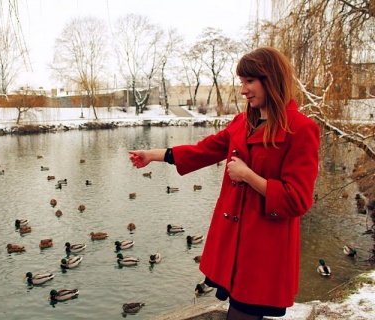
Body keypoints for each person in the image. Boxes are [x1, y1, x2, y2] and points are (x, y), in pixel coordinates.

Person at [128, 47, 320, 320]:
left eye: (249, 81)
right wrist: (153, 155)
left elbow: (298, 199)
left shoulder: (300, 129)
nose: (243, 90)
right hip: (232, 244)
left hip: (263, 251)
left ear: (271, 79)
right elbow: (203, 151)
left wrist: (248, 176)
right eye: (242, 82)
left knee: (243, 313)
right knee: (238, 309)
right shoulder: (242, 122)